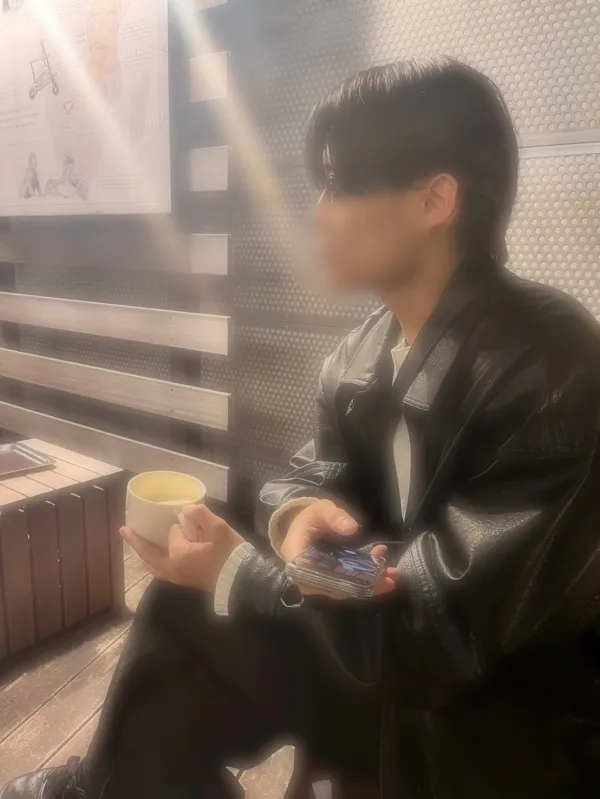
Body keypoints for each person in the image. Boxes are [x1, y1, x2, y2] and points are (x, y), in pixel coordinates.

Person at [3, 56, 600, 799]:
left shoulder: (550, 365)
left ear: (435, 198)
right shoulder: (362, 352)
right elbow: (309, 484)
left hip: (486, 725)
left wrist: (245, 571)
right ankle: (109, 782)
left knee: (217, 592)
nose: (318, 212)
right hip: (382, 661)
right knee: (182, 608)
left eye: (341, 186)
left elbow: (440, 626)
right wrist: (294, 516)